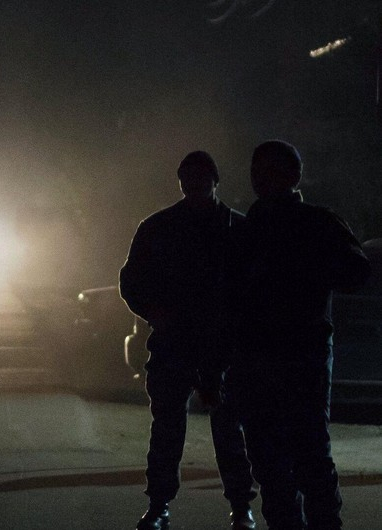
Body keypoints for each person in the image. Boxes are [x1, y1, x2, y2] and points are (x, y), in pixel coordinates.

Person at [233, 140, 370, 530]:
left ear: (292, 176)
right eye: (256, 170)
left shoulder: (313, 223)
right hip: (265, 356)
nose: (259, 178)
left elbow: (356, 272)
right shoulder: (252, 228)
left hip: (299, 354)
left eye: (268, 170)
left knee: (305, 453)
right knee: (272, 458)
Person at [119, 151, 256, 530]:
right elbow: (132, 282)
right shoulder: (166, 227)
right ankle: (166, 504)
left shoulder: (228, 228)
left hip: (215, 345)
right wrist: (155, 312)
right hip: (180, 341)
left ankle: (234, 505)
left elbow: (253, 288)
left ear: (214, 180)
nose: (195, 185)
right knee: (175, 429)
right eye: (189, 178)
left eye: (201, 178)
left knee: (223, 430)